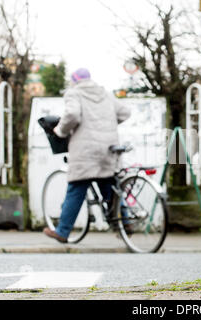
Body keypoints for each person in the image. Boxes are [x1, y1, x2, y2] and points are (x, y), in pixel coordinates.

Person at [43, 68, 131, 243]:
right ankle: (125, 224)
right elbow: (125, 113)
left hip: (85, 151)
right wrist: (108, 124)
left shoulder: (74, 93)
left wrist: (60, 131)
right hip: (108, 148)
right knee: (110, 187)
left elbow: (72, 115)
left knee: (76, 188)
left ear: (74, 80)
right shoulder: (105, 93)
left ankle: (62, 231)